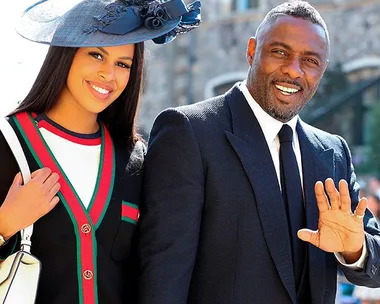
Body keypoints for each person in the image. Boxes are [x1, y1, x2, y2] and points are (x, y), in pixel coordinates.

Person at [138, 1, 380, 303]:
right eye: (280, 52)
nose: (293, 70)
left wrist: (354, 250)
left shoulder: (332, 152)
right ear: (252, 50)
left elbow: (375, 263)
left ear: (322, 69)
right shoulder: (190, 132)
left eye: (310, 60)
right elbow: (163, 278)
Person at [0, 0, 200, 303]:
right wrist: (5, 224)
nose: (109, 74)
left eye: (123, 64)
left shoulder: (137, 160)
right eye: (96, 55)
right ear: (66, 56)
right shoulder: (7, 143)